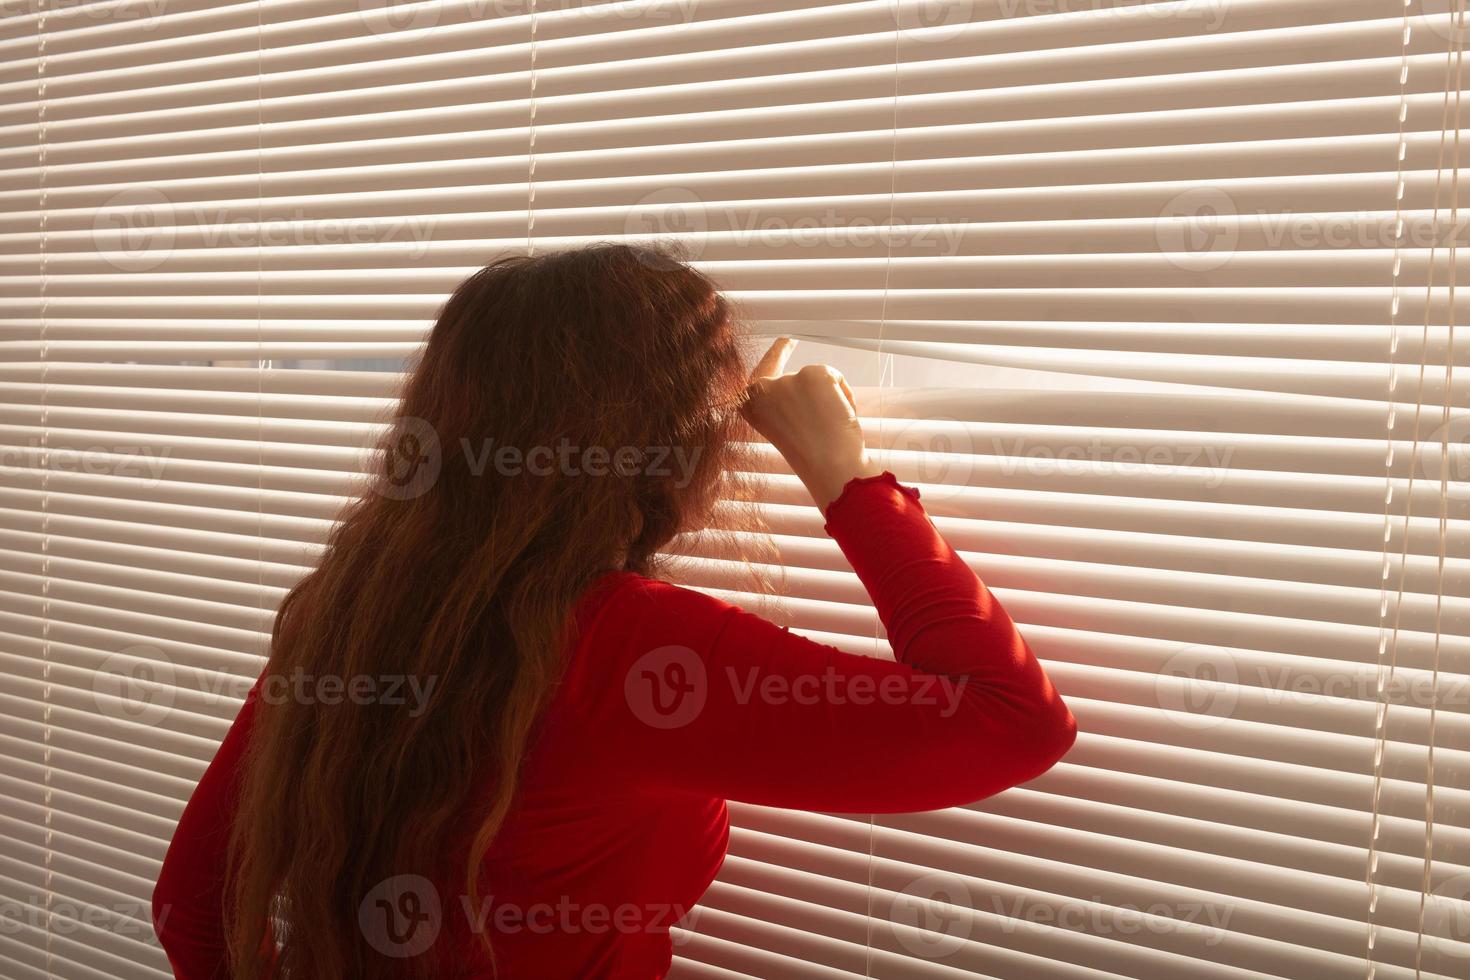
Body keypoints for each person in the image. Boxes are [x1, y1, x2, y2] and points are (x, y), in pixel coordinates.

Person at [150, 244, 1076, 979]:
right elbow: (1009, 720)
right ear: (676, 439)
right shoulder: (626, 645)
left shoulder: (358, 607)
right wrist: (847, 476)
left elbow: (191, 905)